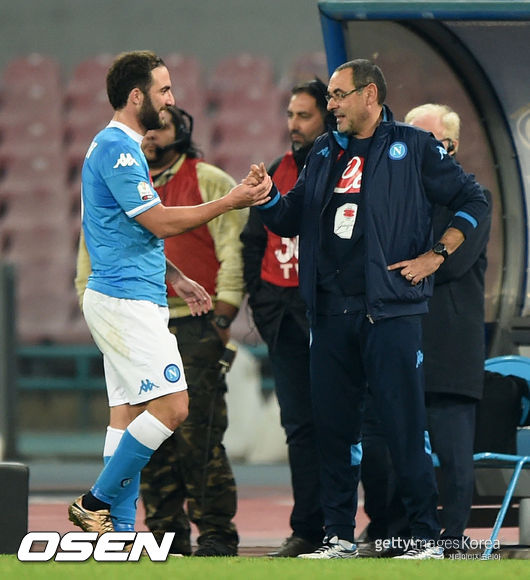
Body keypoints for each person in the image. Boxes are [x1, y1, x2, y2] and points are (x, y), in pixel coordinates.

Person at [246, 59, 489, 560]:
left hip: (390, 313)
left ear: (370, 95)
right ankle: (338, 536)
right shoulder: (322, 152)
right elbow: (290, 219)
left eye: (338, 95)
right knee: (333, 431)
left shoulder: (413, 146)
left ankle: (425, 536)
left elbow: (473, 200)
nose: (331, 104)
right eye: (330, 96)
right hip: (329, 314)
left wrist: (436, 254)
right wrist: (267, 198)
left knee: (404, 427)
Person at [68, 50, 271, 537]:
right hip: (125, 301)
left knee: (127, 415)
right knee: (175, 407)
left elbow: (126, 232)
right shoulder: (119, 150)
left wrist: (173, 274)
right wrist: (230, 200)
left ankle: (118, 532)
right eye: (163, 89)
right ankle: (93, 502)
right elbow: (157, 221)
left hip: (125, 295)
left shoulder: (118, 147)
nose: (171, 99)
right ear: (136, 96)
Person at [359, 103, 492, 556]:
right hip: (397, 340)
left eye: (427, 140)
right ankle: (396, 534)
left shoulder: (473, 201)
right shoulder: (390, 196)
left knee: (452, 453)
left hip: (449, 348)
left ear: (449, 147)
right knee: (390, 450)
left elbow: (448, 266)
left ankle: (451, 539)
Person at [138, 105, 244, 557]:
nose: (150, 135)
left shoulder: (209, 179)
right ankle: (165, 535)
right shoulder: (124, 181)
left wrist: (223, 316)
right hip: (140, 324)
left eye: (159, 127)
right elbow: (91, 252)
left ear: (181, 132)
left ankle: (216, 533)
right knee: (147, 437)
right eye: (145, 128)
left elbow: (233, 250)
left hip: (195, 322)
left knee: (198, 434)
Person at [240, 79, 330, 557]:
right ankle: (308, 529)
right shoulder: (278, 170)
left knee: (349, 425)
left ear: (327, 118)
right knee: (299, 427)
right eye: (291, 115)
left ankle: (375, 525)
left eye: (304, 115)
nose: (293, 124)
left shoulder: (345, 167)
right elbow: (253, 241)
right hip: (284, 318)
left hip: (332, 316)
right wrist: (262, 303)